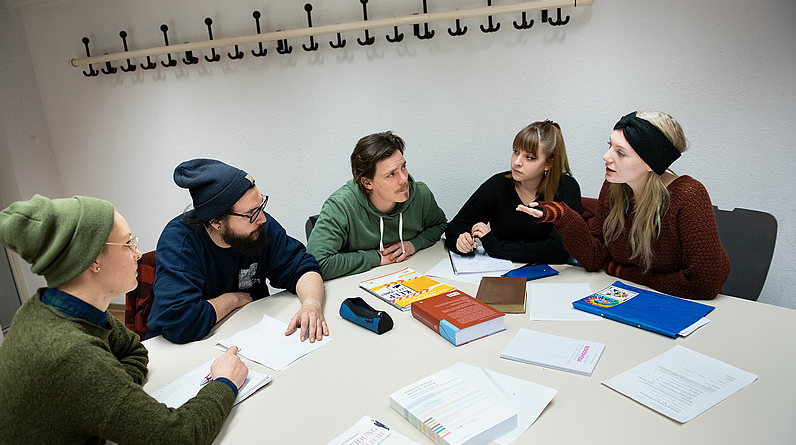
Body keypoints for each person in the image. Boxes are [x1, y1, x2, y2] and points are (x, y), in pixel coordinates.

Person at [0, 195, 249, 445]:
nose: (138, 254)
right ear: (93, 261)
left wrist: (104, 397)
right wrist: (224, 382)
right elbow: (179, 442)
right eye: (129, 243)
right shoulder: (69, 353)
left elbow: (133, 350)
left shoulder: (56, 306)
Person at [517, 111, 729, 299]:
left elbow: (704, 284)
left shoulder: (688, 195)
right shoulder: (614, 187)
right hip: (633, 298)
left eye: (621, 152)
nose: (606, 157)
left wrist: (622, 272)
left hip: (687, 310)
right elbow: (594, 258)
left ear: (650, 163)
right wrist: (562, 215)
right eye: (610, 146)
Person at [147, 158, 328, 343]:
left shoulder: (258, 227)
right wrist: (232, 300)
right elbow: (180, 324)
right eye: (251, 213)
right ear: (216, 222)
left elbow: (302, 266)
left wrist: (311, 304)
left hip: (249, 333)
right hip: (188, 348)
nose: (262, 219)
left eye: (261, 205)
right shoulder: (179, 242)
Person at [306, 131, 447, 280]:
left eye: (403, 167)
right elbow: (317, 263)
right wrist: (375, 258)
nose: (404, 179)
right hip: (356, 285)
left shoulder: (420, 194)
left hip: (409, 275)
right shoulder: (340, 207)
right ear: (368, 183)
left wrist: (414, 244)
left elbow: (439, 224)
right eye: (391, 174)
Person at [445, 120, 582, 263]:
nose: (517, 162)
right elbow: (456, 226)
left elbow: (559, 251)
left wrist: (494, 246)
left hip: (554, 276)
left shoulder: (567, 188)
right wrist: (461, 241)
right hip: (500, 272)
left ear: (548, 164)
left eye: (529, 157)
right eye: (516, 152)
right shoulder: (497, 185)